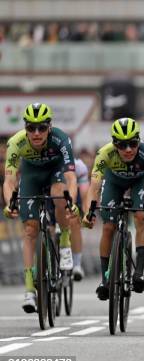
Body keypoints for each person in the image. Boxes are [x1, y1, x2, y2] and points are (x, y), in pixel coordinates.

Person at [3, 103, 78, 313]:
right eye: (31, 128)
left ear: (50, 127)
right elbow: (9, 180)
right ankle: (29, 290)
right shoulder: (16, 143)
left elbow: (71, 178)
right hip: (31, 176)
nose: (36, 133)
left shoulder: (61, 140)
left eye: (42, 128)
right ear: (25, 128)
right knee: (30, 229)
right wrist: (10, 202)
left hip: (55, 172)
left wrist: (71, 200)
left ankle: (64, 243)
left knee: (58, 194)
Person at [82, 118, 144, 300]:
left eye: (133, 143)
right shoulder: (104, 154)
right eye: (122, 145)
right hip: (114, 182)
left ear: (139, 141)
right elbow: (93, 188)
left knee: (141, 216)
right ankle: (105, 279)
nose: (128, 149)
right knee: (108, 227)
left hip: (139, 182)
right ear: (114, 144)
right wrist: (88, 213)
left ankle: (138, 272)